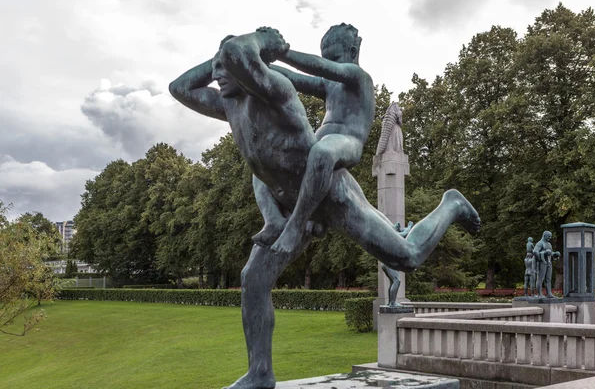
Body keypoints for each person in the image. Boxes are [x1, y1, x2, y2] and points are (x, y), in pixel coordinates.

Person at [169, 27, 480, 389]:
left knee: (406, 257)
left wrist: (271, 46)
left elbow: (252, 57)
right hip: (290, 199)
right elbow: (180, 88)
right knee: (253, 278)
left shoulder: (275, 92)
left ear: (245, 70)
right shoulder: (229, 105)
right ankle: (260, 373)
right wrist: (220, 59)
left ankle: (451, 204)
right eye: (215, 67)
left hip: (330, 191)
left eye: (224, 67)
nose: (217, 73)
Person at [265, 23, 375, 256]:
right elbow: (295, 78)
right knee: (266, 160)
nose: (330, 64)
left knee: (323, 153)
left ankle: (295, 225)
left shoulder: (358, 77)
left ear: (354, 51)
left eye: (334, 58)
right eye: (327, 59)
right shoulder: (330, 85)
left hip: (347, 141)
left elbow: (320, 68)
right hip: (319, 141)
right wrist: (262, 63)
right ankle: (273, 219)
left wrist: (281, 51)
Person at [533, 231, 560, 298]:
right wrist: (543, 253)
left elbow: (550, 253)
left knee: (548, 279)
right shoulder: (540, 243)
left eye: (550, 236)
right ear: (544, 235)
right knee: (540, 278)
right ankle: (540, 294)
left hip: (549, 262)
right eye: (549, 236)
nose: (550, 238)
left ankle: (549, 293)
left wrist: (555, 254)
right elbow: (535, 252)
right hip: (542, 262)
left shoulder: (549, 244)